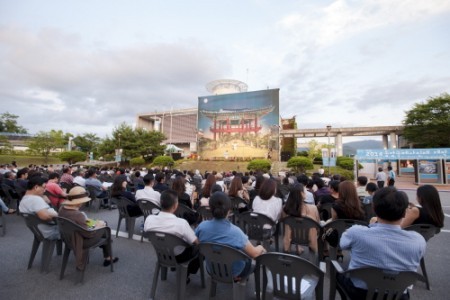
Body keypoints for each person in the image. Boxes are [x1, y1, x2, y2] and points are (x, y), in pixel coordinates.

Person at [337, 187, 426, 299]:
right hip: (397, 295)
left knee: (339, 270)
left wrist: (371, 226)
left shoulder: (356, 232)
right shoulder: (418, 240)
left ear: (374, 208)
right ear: (404, 213)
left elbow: (342, 244)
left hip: (360, 293)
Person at [195, 192, 266, 279]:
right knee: (251, 254)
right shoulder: (236, 233)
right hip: (235, 271)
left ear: (210, 208)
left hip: (212, 268)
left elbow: (198, 244)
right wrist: (261, 247)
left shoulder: (201, 227)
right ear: (229, 210)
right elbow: (254, 254)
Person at [144, 189, 200, 280]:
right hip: (179, 256)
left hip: (160, 253)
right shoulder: (181, 223)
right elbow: (196, 242)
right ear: (175, 205)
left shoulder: (149, 219)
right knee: (200, 249)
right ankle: (186, 273)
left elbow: (147, 234)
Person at [58, 186, 118, 269]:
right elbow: (89, 234)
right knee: (105, 229)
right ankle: (108, 256)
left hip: (67, 238)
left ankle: (107, 250)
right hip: (80, 241)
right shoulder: (78, 215)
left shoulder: (62, 209)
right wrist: (98, 225)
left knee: (104, 228)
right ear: (79, 202)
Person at [281, 184, 320, 254]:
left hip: (291, 236)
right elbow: (318, 225)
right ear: (301, 194)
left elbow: (283, 222)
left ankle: (296, 247)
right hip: (309, 237)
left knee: (293, 225)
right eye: (304, 191)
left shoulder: (285, 209)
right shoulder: (313, 208)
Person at [19, 175, 59, 240]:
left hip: (38, 231)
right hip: (50, 231)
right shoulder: (36, 200)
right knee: (76, 230)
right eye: (44, 187)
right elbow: (45, 216)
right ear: (36, 187)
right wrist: (58, 215)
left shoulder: (24, 199)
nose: (45, 190)